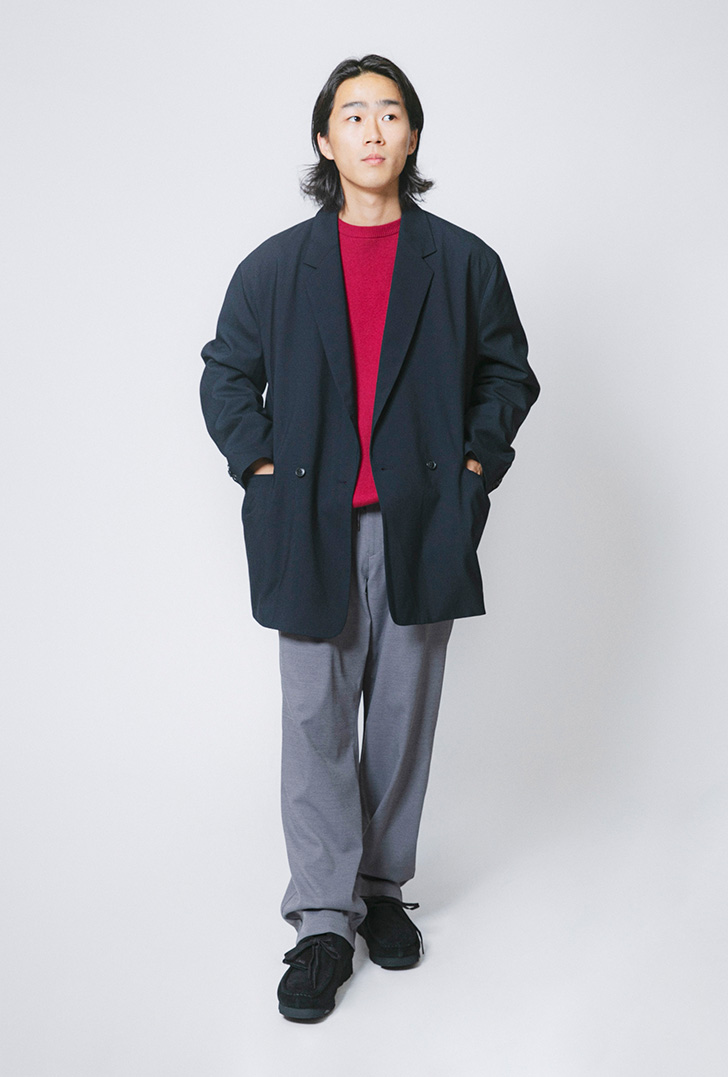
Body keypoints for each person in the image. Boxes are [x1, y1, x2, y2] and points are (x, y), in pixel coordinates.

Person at [199, 54, 540, 1020]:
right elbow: (225, 374)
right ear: (325, 139)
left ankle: (381, 889)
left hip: (421, 521)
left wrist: (472, 468)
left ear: (413, 135)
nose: (373, 129)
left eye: (390, 113)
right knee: (314, 717)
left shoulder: (462, 262)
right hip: (308, 523)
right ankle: (321, 919)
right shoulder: (276, 266)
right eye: (353, 114)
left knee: (400, 716)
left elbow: (508, 374)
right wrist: (261, 466)